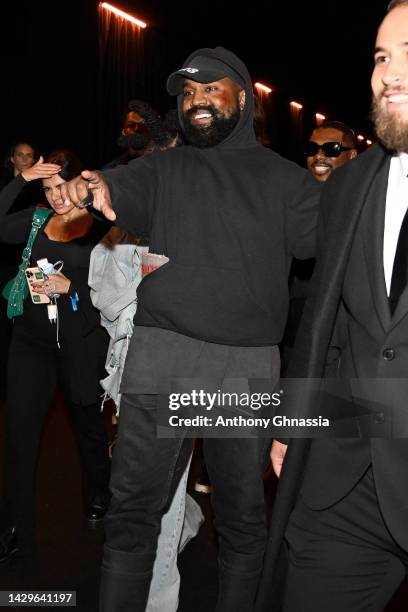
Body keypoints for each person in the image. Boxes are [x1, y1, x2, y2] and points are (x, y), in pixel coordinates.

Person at [62, 46, 320, 612]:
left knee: (241, 520)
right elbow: (119, 186)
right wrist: (95, 189)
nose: (197, 99)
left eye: (211, 88)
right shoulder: (163, 167)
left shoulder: (287, 182)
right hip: (163, 362)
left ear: (244, 98)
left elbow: (324, 248)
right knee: (132, 515)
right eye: (188, 92)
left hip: (243, 373)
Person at [259, 2, 408, 611]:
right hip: (345, 487)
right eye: (382, 56)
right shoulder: (352, 185)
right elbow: (334, 324)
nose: (388, 74)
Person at [0, 150, 111, 565]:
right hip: (31, 344)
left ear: (80, 182)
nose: (57, 196)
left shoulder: (101, 225)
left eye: (62, 186)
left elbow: (114, 298)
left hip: (79, 344)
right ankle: (14, 528)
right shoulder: (34, 220)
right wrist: (21, 180)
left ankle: (100, 493)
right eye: (47, 189)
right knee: (19, 438)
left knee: (88, 427)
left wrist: (73, 291)